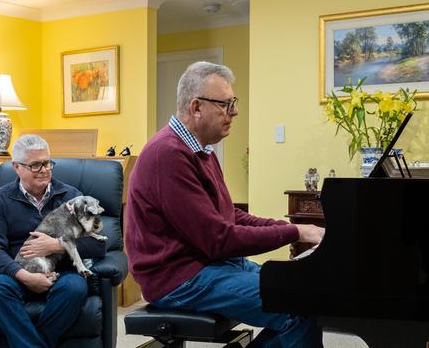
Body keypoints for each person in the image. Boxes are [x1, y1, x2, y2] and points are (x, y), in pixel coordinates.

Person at [125, 61, 326, 347]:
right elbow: (218, 239)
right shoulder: (167, 155)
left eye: (233, 103)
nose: (235, 112)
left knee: (303, 292)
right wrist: (296, 233)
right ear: (196, 107)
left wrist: (292, 226)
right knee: (297, 307)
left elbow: (229, 216)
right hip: (177, 279)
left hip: (209, 265)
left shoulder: (201, 152)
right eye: (226, 104)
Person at [0, 134, 106, 348]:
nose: (44, 170)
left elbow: (98, 245)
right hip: (18, 270)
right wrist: (25, 276)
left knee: (75, 287)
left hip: (62, 272)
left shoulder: (71, 196)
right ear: (17, 167)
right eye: (36, 165)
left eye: (47, 163)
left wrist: (56, 246)